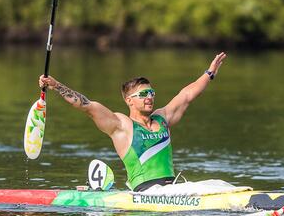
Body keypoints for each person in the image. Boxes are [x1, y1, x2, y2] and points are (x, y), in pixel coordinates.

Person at [38, 52, 226, 192]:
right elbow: (87, 105)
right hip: (145, 193)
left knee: (219, 184)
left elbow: (186, 95)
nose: (149, 97)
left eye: (151, 93)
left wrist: (209, 73)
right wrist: (56, 86)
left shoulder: (163, 118)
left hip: (172, 189)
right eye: (143, 94)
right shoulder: (122, 126)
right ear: (129, 100)